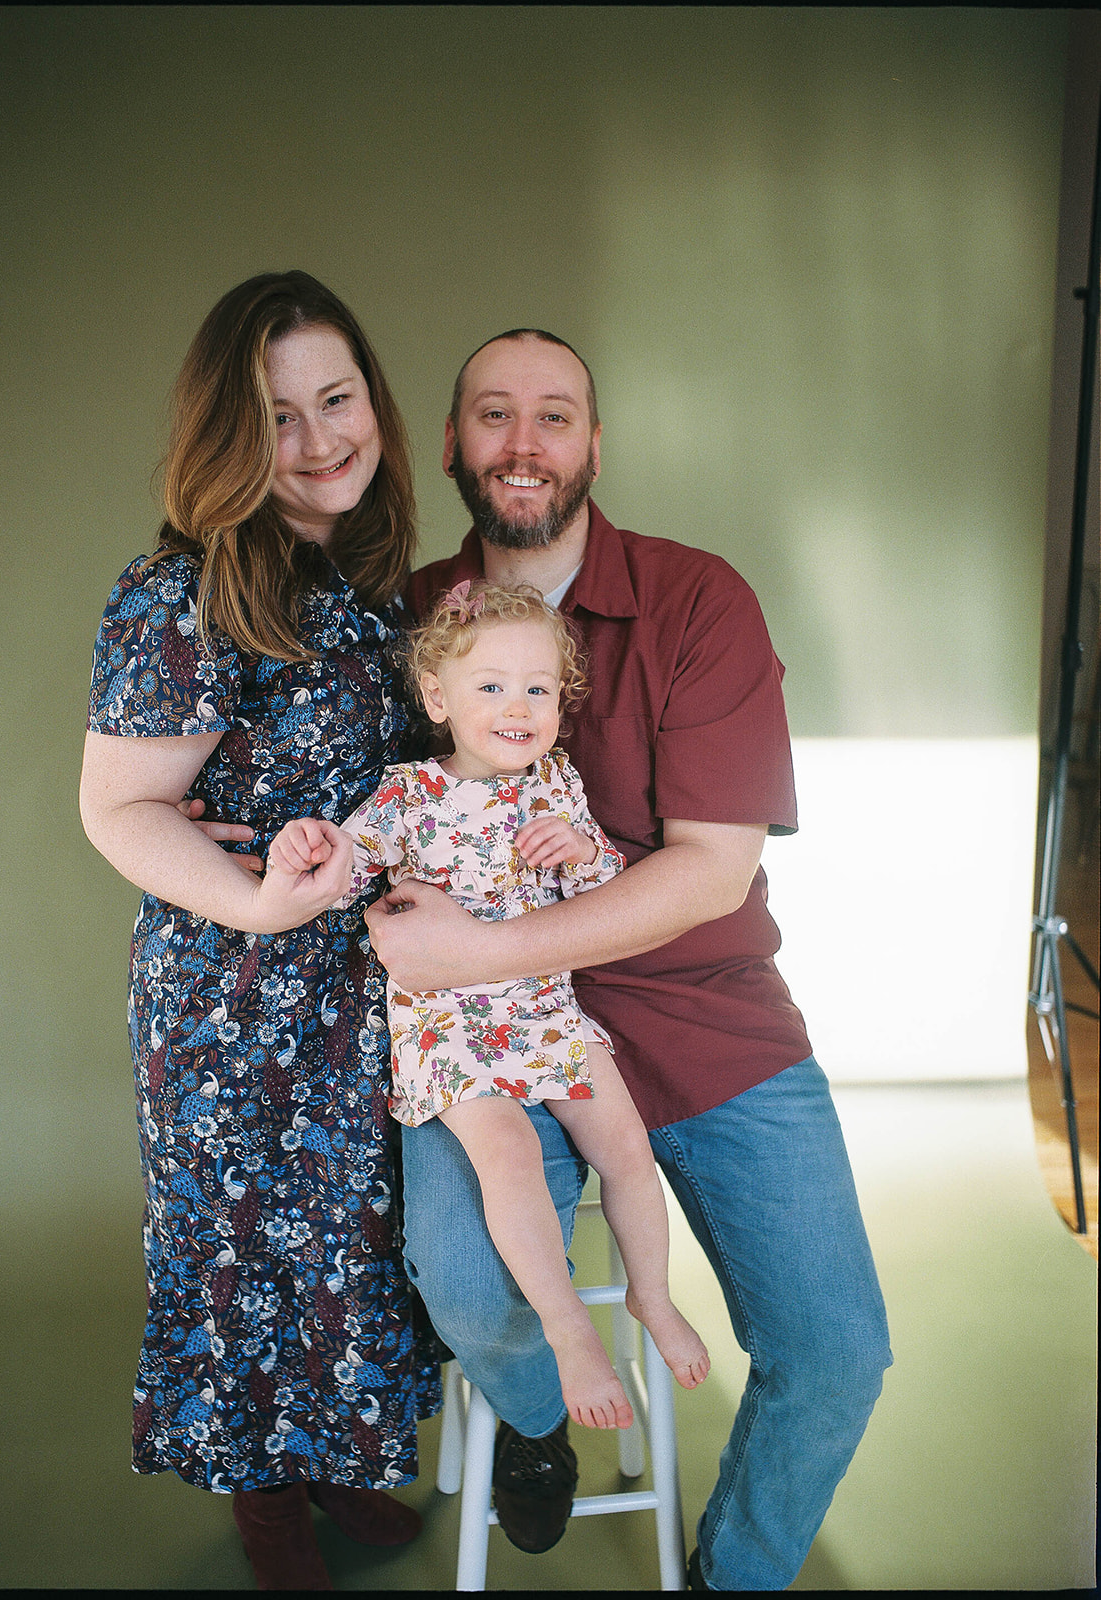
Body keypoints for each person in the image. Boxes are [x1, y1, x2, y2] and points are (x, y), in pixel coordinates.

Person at [362, 328, 893, 1590]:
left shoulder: (700, 598)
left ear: (595, 444)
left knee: (836, 1350)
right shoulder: (406, 621)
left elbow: (711, 869)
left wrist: (479, 942)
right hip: (481, 1030)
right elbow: (340, 817)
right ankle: (539, 1426)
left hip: (703, 1011)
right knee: (466, 1282)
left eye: (556, 415)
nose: (524, 441)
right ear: (452, 447)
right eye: (493, 414)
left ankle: (733, 1576)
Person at [77, 270, 444, 1593]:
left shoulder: (359, 579)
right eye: (279, 417)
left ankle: (343, 1462)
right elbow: (117, 806)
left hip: (358, 990)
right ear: (234, 441)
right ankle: (266, 1502)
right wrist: (255, 901)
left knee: (351, 1241)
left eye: (336, 398)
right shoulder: (181, 590)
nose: (321, 435)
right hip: (233, 990)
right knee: (242, 1255)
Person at [267, 580, 711, 1431]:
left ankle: (653, 1297)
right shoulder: (407, 796)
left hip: (544, 1008)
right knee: (505, 1155)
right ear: (438, 697)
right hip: (451, 1028)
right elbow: (339, 878)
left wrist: (582, 850)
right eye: (493, 686)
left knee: (626, 1146)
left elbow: (596, 896)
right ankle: (569, 1327)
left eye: (539, 689)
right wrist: (306, 844)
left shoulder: (556, 786)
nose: (520, 706)